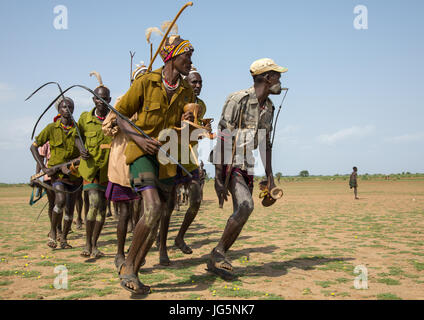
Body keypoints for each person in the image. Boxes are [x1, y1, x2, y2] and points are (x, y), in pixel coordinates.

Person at [113, 34, 195, 294]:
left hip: (167, 159)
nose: (190, 62)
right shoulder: (146, 82)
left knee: (157, 214)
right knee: (153, 207)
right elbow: (120, 115)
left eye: (192, 57)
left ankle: (132, 269)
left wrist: (194, 127)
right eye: (187, 56)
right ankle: (128, 267)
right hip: (140, 153)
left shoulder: (187, 91)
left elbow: (187, 128)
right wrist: (139, 137)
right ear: (172, 56)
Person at [209, 58, 288, 280]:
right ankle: (218, 253)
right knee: (246, 206)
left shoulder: (269, 108)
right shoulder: (237, 100)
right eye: (277, 76)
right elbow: (222, 137)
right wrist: (218, 176)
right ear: (266, 77)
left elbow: (265, 143)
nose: (280, 80)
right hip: (230, 163)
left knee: (241, 213)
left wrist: (270, 177)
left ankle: (218, 258)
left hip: (247, 164)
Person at [102, 62, 148, 270]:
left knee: (145, 211)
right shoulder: (122, 100)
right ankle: (120, 253)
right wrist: (118, 122)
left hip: (145, 161)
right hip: (122, 163)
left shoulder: (152, 102)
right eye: (141, 78)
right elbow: (106, 128)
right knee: (125, 213)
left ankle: (136, 250)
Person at [30, 96, 83, 249]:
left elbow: (84, 150)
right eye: (64, 107)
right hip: (56, 175)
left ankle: (64, 239)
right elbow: (33, 147)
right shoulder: (51, 128)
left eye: (71, 107)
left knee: (70, 209)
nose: (68, 110)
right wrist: (44, 168)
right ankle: (53, 232)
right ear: (59, 110)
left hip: (74, 175)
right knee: (59, 201)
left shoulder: (78, 129)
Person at [78, 71, 112, 259]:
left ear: (109, 99)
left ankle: (95, 244)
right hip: (90, 169)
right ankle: (87, 244)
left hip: (108, 171)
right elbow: (77, 136)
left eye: (105, 99)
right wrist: (81, 148)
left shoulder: (114, 118)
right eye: (99, 98)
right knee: (93, 204)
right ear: (94, 99)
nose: (102, 101)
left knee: (102, 210)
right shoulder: (84, 118)